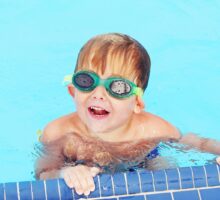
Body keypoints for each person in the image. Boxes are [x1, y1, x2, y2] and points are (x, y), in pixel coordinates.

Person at [35, 33, 220, 196]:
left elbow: (195, 143)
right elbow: (43, 173)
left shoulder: (152, 130)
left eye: (117, 87)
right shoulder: (59, 133)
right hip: (81, 167)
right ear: (72, 91)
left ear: (137, 103)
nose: (98, 94)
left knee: (163, 169)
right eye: (87, 80)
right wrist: (64, 173)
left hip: (142, 162)